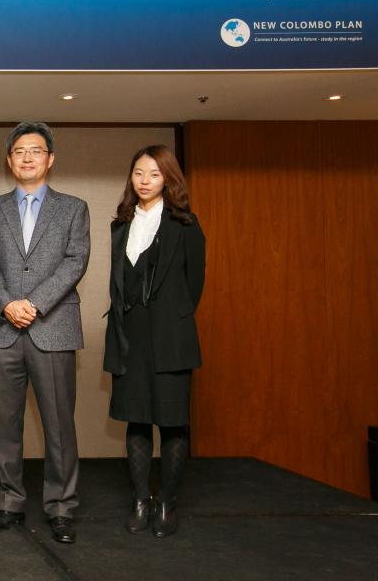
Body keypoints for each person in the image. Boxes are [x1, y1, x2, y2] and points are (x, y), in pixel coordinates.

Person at [0, 122, 90, 544]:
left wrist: (35, 304)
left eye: (36, 151)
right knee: (5, 424)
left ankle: (61, 507)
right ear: (9, 160)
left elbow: (75, 260)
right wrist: (7, 304)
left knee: (60, 424)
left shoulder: (74, 208)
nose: (27, 157)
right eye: (19, 151)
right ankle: (8, 503)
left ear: (50, 159)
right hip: (1, 327)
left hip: (53, 326)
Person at [104, 144, 205, 538]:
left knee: (174, 422)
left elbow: (194, 285)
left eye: (154, 174)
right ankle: (141, 500)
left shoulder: (186, 224)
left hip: (171, 337)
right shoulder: (120, 223)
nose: (145, 181)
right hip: (130, 337)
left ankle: (168, 503)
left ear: (168, 179)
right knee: (138, 419)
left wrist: (169, 318)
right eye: (138, 174)